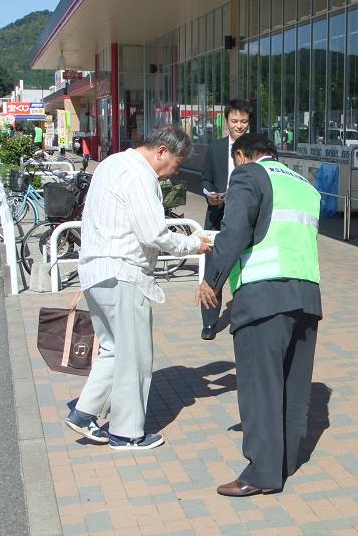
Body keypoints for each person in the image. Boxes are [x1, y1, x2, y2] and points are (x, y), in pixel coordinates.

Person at [64, 126, 212, 450]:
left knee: (114, 349)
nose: (176, 171)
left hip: (95, 270)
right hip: (123, 272)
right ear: (162, 151)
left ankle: (84, 412)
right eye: (177, 162)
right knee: (134, 356)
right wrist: (193, 244)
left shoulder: (112, 163)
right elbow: (153, 233)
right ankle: (126, 433)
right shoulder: (140, 175)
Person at [196, 133, 322, 497]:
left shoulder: (249, 174)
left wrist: (212, 281)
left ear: (241, 155)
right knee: (293, 386)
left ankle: (262, 473)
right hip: (307, 295)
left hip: (263, 296)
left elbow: (234, 231)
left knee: (259, 387)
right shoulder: (305, 185)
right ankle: (285, 462)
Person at [199, 98, 253, 340]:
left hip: (247, 218)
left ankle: (247, 316)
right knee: (213, 269)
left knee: (247, 268)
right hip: (217, 216)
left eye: (243, 121)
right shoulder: (216, 148)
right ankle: (209, 322)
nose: (239, 125)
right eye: (234, 120)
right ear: (226, 121)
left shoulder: (256, 148)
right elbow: (205, 179)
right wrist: (209, 195)